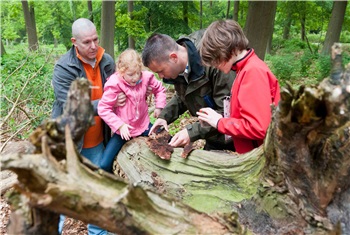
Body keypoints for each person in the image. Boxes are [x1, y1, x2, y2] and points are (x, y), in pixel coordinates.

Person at [51, 18, 115, 235]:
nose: (93, 45)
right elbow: (73, 107)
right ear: (74, 42)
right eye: (87, 42)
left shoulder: (106, 61)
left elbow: (120, 90)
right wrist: (108, 103)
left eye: (95, 39)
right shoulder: (63, 68)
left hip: (97, 143)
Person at [140, 33, 236, 151]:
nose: (160, 77)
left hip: (236, 138)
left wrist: (191, 133)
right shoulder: (178, 70)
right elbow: (182, 97)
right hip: (214, 138)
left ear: (174, 57)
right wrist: (164, 117)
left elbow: (227, 111)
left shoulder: (213, 62)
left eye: (161, 71)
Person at [197, 19, 280, 154]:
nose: (214, 64)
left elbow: (259, 128)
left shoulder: (253, 71)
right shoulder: (243, 69)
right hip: (253, 155)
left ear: (229, 48)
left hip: (260, 158)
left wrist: (220, 122)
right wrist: (215, 120)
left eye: (216, 57)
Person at [98, 49, 167, 173]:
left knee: (168, 139)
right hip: (124, 131)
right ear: (121, 71)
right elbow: (103, 108)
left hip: (143, 125)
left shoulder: (146, 77)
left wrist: (159, 106)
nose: (135, 78)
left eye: (137, 73)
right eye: (130, 74)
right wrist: (119, 125)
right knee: (104, 164)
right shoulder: (114, 83)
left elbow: (160, 89)